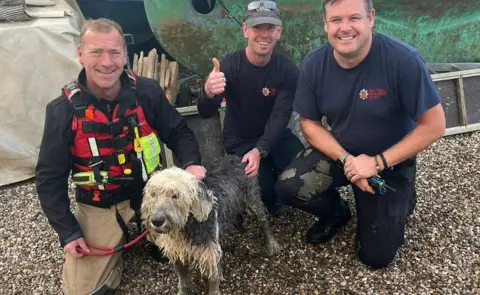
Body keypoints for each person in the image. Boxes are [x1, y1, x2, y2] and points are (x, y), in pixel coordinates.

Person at [35, 18, 206, 295]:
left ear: (125, 55)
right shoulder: (62, 110)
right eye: (96, 52)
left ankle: (147, 234)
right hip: (101, 203)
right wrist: (67, 232)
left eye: (114, 52)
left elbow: (179, 132)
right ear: (80, 54)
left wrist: (193, 163)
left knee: (192, 241)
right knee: (84, 292)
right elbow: (48, 179)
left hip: (151, 195)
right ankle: (117, 247)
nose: (107, 62)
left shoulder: (147, 92)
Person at [275, 0, 446, 269]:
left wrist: (376, 163)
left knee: (375, 257)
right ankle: (337, 213)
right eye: (336, 20)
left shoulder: (403, 60)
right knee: (288, 186)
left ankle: (403, 194)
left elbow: (434, 125)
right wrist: (347, 161)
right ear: (325, 25)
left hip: (390, 161)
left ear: (371, 18)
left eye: (354, 18)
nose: (345, 28)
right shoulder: (314, 64)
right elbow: (309, 123)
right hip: (343, 153)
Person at [197, 0, 304, 216]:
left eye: (270, 28)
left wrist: (261, 150)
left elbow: (280, 116)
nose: (264, 34)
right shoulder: (229, 66)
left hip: (276, 136)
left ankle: (284, 191)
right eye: (257, 27)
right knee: (261, 188)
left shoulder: (288, 71)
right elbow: (205, 112)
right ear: (245, 30)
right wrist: (208, 93)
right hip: (241, 140)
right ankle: (271, 199)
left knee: (303, 174)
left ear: (279, 32)